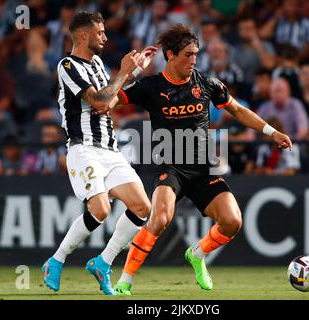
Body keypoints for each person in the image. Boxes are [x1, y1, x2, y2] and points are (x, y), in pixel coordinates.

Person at [109, 24, 292, 295]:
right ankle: (125, 280)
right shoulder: (150, 86)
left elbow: (238, 110)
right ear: (170, 55)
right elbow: (109, 102)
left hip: (203, 169)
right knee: (159, 219)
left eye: (196, 54)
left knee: (232, 221)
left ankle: (197, 254)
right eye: (187, 55)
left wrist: (271, 131)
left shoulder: (205, 83)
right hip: (170, 167)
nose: (193, 60)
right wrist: (128, 71)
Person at [41, 11, 157, 296]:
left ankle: (103, 263)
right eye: (100, 33)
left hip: (110, 149)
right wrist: (124, 72)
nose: (105, 37)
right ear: (84, 35)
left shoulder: (97, 64)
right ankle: (56, 260)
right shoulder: (67, 66)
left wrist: (135, 72)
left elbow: (111, 99)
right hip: (84, 149)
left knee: (143, 207)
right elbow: (101, 102)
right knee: (101, 209)